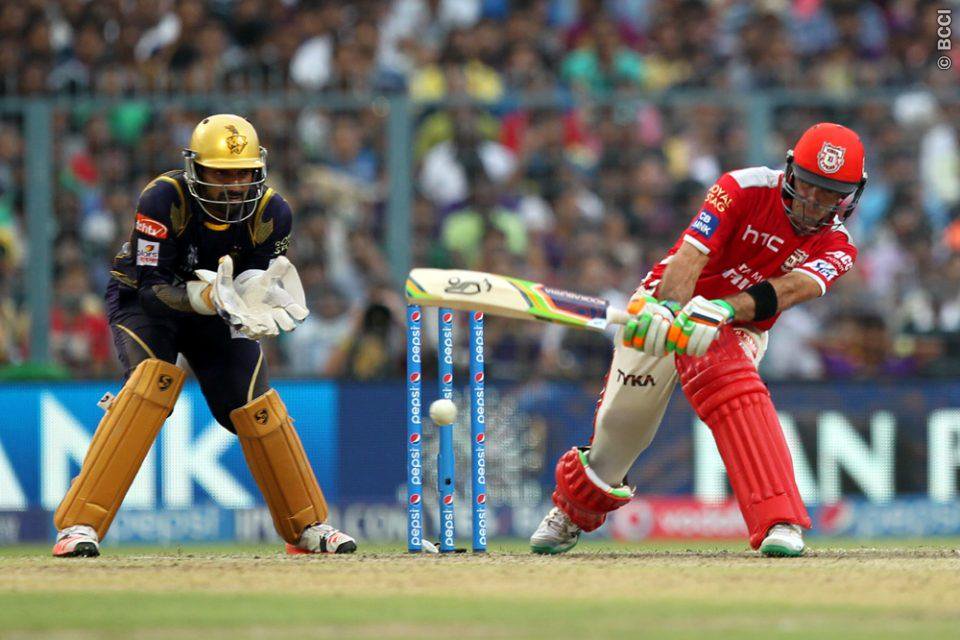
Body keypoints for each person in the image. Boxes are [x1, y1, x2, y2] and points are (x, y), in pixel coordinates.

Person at [530, 123, 867, 557]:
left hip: (740, 322)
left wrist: (724, 309)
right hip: (664, 302)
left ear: (850, 195)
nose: (814, 202)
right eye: (808, 185)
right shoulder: (742, 188)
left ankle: (780, 520)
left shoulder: (840, 245)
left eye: (830, 193)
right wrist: (670, 308)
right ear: (789, 171)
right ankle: (572, 510)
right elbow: (691, 255)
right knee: (622, 427)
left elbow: (788, 290)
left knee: (727, 377)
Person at [52, 114, 356, 557]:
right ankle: (79, 526)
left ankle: (307, 527)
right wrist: (207, 297)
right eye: (222, 174)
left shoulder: (273, 214)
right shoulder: (163, 199)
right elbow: (152, 289)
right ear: (196, 169)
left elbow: (252, 281)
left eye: (243, 174)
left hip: (218, 314)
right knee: (148, 388)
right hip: (146, 303)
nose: (235, 186)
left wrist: (253, 302)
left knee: (254, 406)